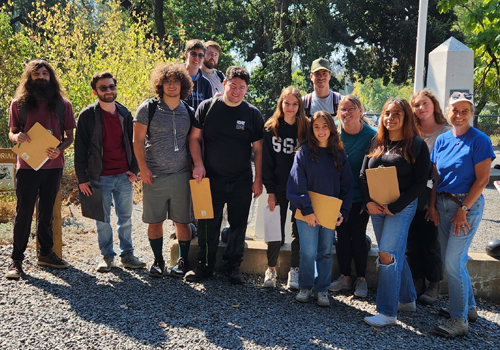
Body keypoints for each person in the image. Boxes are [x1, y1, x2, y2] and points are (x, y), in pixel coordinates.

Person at [186, 66, 264, 285]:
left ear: (246, 90)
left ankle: (233, 267)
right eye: (233, 86)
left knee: (238, 225)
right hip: (211, 178)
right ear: (224, 84)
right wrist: (198, 163)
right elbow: (194, 138)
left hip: (241, 179)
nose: (236, 91)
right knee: (207, 224)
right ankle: (205, 266)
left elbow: (258, 150)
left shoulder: (252, 113)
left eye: (242, 88)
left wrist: (258, 180)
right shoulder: (207, 108)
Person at [428, 92, 495, 338]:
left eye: (464, 110)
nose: (459, 115)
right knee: (454, 259)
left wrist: (463, 210)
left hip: (466, 208)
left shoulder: (480, 140)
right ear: (447, 111)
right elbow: (436, 179)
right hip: (443, 205)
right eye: (454, 110)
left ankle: (459, 320)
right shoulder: (443, 140)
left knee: (453, 263)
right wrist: (432, 206)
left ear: (472, 113)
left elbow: (483, 180)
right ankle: (470, 308)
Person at [359, 98, 430, 327]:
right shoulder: (376, 142)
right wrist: (368, 202)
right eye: (387, 113)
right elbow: (362, 176)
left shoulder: (417, 145)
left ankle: (387, 312)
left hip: (400, 207)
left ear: (406, 117)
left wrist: (395, 207)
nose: (390, 118)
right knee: (393, 253)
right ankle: (407, 299)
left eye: (397, 113)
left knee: (386, 254)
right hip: (376, 207)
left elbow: (421, 184)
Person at [5, 59, 76, 279]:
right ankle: (16, 261)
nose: (41, 77)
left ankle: (46, 254)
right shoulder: (18, 104)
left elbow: (70, 137)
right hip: (27, 165)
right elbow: (12, 133)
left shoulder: (63, 104)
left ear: (51, 77)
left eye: (45, 73)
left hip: (53, 165)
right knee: (24, 212)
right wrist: (16, 136)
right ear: (29, 77)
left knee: (47, 212)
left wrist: (60, 149)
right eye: (37, 74)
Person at [74, 72, 145, 272]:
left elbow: (134, 144)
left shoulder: (125, 114)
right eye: (103, 88)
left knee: (126, 219)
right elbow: (79, 149)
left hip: (123, 176)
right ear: (95, 91)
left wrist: (134, 169)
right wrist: (82, 178)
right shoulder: (87, 116)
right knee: (102, 220)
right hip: (99, 177)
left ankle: (128, 255)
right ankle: (107, 257)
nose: (108, 91)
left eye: (111, 86)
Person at [133, 62, 196, 278]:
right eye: (167, 82)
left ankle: (183, 261)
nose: (171, 86)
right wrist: (143, 169)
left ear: (183, 85)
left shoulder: (188, 111)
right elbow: (138, 141)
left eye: (176, 81)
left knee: (182, 221)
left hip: (181, 174)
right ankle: (158, 261)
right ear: (160, 84)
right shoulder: (148, 108)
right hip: (155, 174)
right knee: (155, 221)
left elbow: (194, 141)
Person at [287, 111, 353, 307]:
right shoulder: (303, 153)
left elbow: (347, 186)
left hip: (329, 212)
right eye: (316, 127)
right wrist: (307, 210)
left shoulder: (339, 154)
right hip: (306, 211)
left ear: (332, 128)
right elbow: (296, 183)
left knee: (325, 251)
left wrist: (343, 212)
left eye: (325, 126)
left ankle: (322, 289)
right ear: (311, 129)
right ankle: (306, 286)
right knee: (307, 251)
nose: (321, 130)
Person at [328, 95, 376, 298]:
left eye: (351, 109)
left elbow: (375, 169)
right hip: (337, 196)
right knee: (341, 237)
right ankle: (345, 277)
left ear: (360, 111)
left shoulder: (372, 136)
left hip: (360, 196)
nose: (346, 113)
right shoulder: (333, 133)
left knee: (358, 236)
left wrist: (369, 199)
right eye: (342, 109)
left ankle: (362, 279)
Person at [262, 86, 309, 289]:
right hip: (278, 186)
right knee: (274, 229)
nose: (290, 107)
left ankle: (294, 271)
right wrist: (270, 191)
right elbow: (266, 163)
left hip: (300, 188)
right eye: (286, 103)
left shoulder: (307, 128)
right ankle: (271, 269)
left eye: (294, 104)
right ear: (280, 104)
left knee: (298, 230)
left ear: (300, 106)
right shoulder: (271, 128)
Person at [406, 90, 450, 304]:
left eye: (424, 103)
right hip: (412, 194)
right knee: (412, 240)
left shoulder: (446, 133)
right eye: (416, 105)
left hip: (435, 195)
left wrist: (431, 204)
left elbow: (441, 172)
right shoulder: (411, 132)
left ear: (434, 105)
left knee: (432, 242)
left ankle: (434, 284)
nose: (420, 108)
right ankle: (416, 280)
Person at [183, 39, 213, 110]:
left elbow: (208, 110)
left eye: (200, 55)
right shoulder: (176, 78)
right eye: (193, 54)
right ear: (186, 55)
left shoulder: (206, 84)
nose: (197, 58)